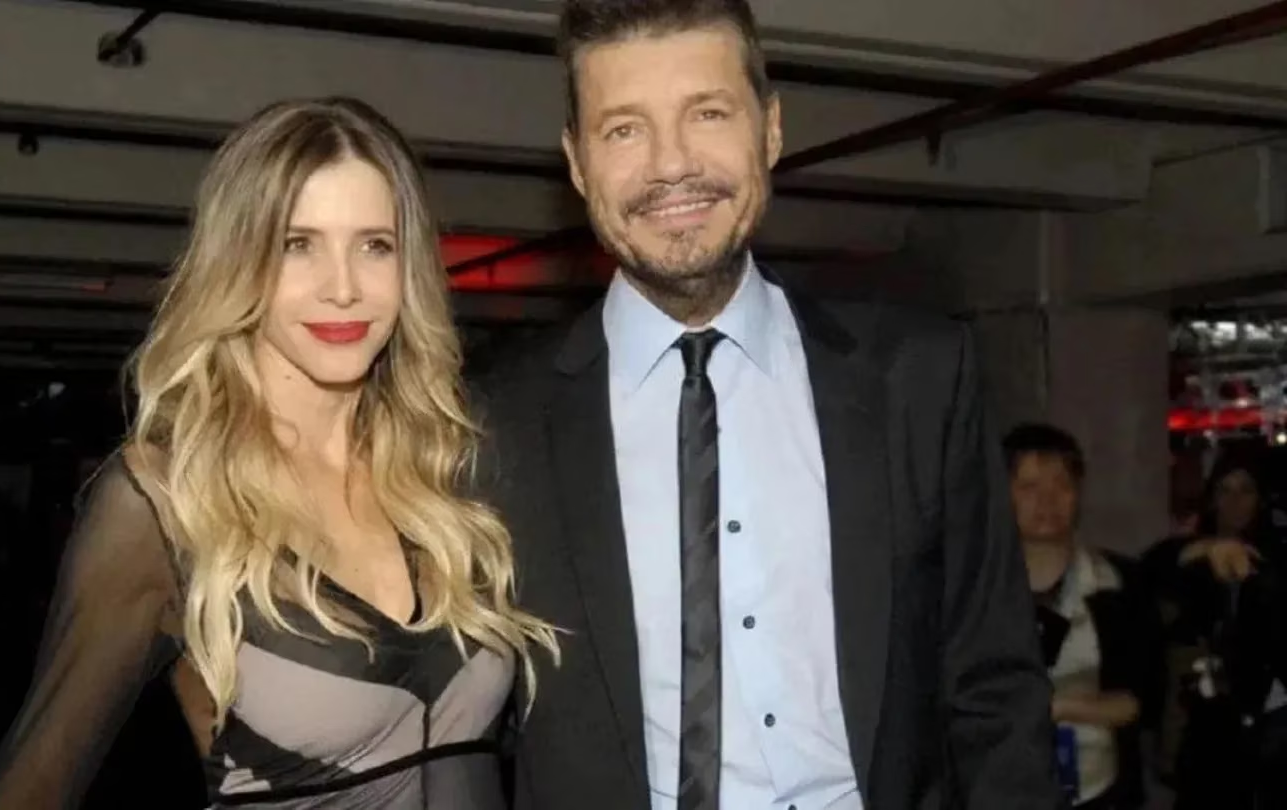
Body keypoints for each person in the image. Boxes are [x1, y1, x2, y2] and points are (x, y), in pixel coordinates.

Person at [472, 1, 1060, 809]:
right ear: (577, 163)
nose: (671, 164)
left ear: (771, 130)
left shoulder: (918, 378)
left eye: (707, 114)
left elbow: (994, 689)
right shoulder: (492, 419)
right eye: (624, 130)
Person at [0, 97, 558, 809]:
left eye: (375, 245)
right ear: (239, 261)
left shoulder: (452, 466)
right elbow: (29, 788)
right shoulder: (165, 503)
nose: (343, 288)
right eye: (296, 244)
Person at [1005, 424, 1164, 810]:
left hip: (1102, 788)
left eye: (1062, 484)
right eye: (1029, 486)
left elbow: (1143, 697)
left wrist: (1055, 707)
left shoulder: (1119, 583)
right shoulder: (975, 592)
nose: (1048, 500)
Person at [1144, 451, 1286, 810]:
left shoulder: (1275, 556)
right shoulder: (1189, 552)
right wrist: (1204, 550)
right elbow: (1150, 573)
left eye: (1246, 490)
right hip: (1204, 714)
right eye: (1225, 490)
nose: (1235, 501)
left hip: (1268, 712)